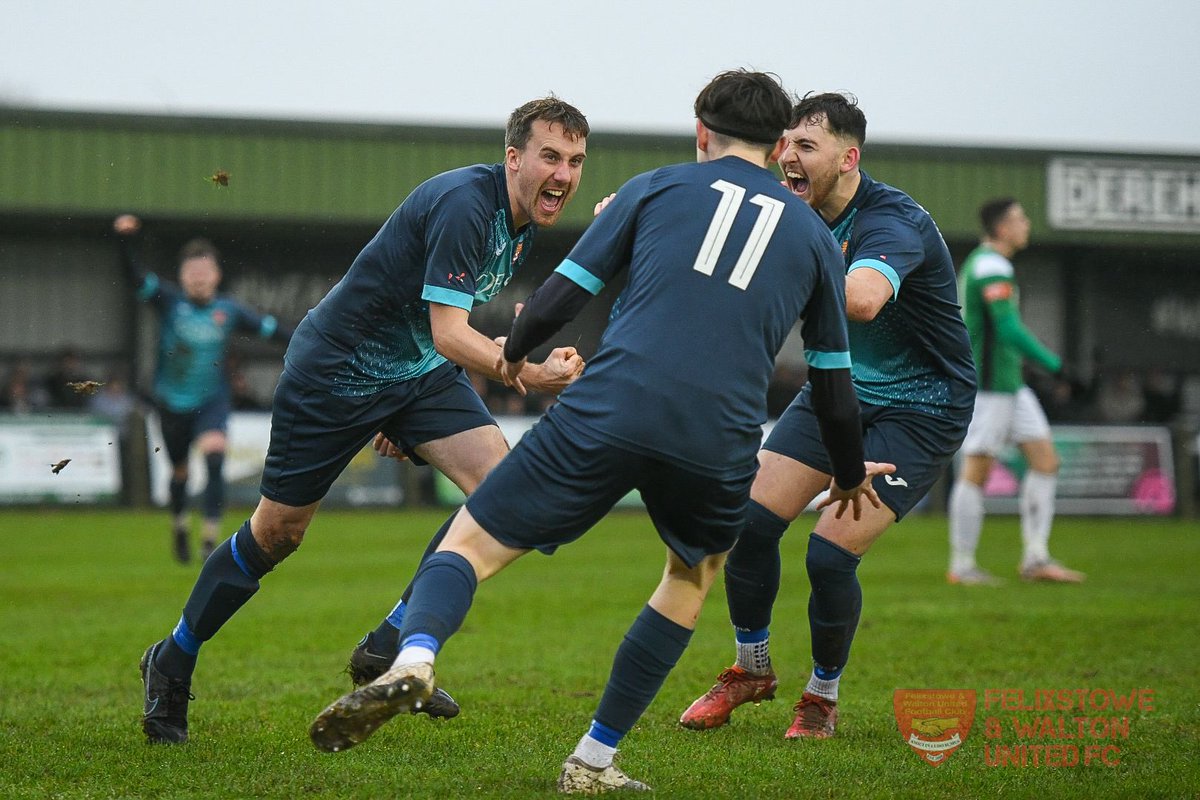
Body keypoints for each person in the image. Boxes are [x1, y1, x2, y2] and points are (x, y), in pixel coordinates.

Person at [306, 70, 891, 794]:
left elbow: (561, 295)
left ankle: (415, 657)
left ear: (701, 132)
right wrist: (847, 471)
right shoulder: (815, 239)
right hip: (719, 434)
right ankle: (592, 759)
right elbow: (832, 382)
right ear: (777, 148)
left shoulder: (655, 188)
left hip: (613, 404)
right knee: (688, 578)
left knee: (471, 541)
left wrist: (515, 357)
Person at [137, 96, 590, 746]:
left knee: (509, 498)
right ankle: (173, 657)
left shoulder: (519, 223)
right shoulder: (467, 205)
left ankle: (389, 646)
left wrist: (408, 411)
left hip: (416, 375)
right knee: (277, 535)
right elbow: (450, 331)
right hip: (336, 374)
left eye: (575, 161)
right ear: (514, 157)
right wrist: (527, 371)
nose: (564, 174)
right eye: (551, 156)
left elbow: (435, 329)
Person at [678, 93, 977, 740]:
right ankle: (751, 668)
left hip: (921, 407)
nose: (787, 155)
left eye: (806, 146)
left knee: (828, 556)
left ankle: (821, 696)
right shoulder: (793, 209)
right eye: (785, 143)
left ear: (848, 159)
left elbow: (863, 300)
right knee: (748, 524)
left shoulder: (893, 221)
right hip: (837, 388)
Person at [114, 218, 293, 564]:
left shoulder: (228, 310)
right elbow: (133, 276)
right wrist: (124, 242)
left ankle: (210, 539)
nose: (198, 277)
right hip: (171, 402)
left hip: (212, 399)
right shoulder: (168, 300)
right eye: (192, 272)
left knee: (214, 455)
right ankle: (180, 525)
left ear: (216, 275)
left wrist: (313, 336)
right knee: (179, 472)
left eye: (204, 271)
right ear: (182, 276)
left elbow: (271, 330)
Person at [947, 198, 1085, 585]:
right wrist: (1057, 366)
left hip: (1011, 385)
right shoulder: (990, 266)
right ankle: (962, 565)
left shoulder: (991, 264)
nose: (1027, 224)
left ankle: (1036, 559)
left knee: (1046, 462)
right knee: (976, 470)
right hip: (989, 387)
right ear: (1002, 228)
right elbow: (1007, 329)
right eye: (1020, 219)